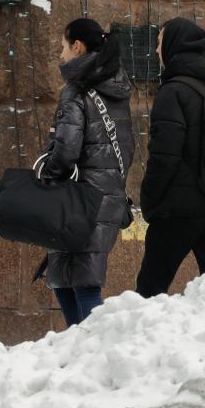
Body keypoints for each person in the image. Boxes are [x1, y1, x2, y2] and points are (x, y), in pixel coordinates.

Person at [35, 18, 134, 326]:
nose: (61, 53)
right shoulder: (115, 88)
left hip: (79, 201)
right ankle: (79, 353)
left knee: (83, 283)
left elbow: (65, 152)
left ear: (77, 46)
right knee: (67, 277)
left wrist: (45, 174)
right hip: (105, 195)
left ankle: (92, 355)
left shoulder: (76, 92)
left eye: (63, 46)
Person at [136, 17, 205, 296]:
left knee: (150, 288)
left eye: (159, 43)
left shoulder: (173, 92)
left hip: (177, 208)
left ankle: (142, 340)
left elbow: (164, 155)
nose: (156, 51)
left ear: (173, 46)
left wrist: (150, 198)